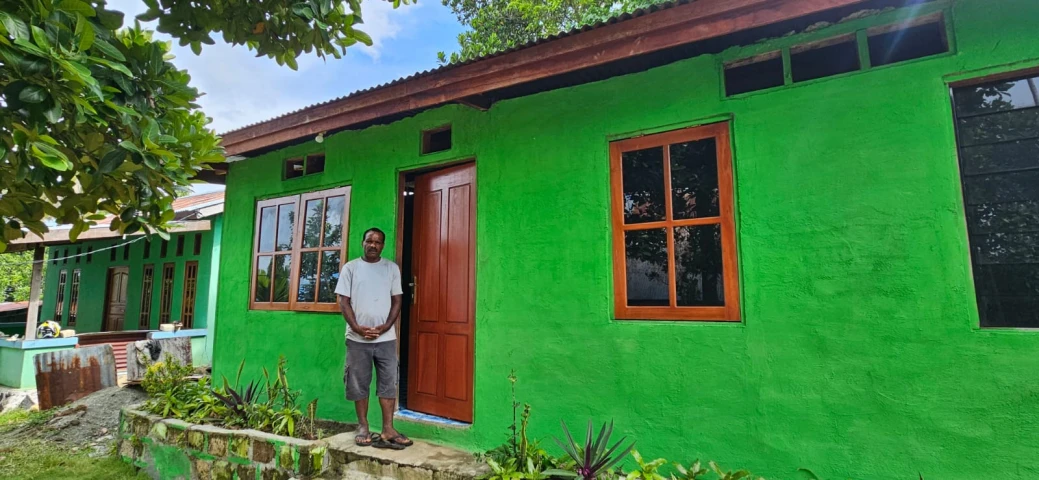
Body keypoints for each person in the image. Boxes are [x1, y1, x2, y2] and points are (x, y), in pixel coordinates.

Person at [335, 227, 413, 449]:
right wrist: (357, 328)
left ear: (383, 246)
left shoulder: (391, 268)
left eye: (378, 242)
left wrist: (387, 326)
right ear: (363, 242)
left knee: (388, 382)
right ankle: (363, 427)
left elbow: (397, 300)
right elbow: (343, 301)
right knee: (358, 383)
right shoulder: (351, 268)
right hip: (357, 339)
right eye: (369, 241)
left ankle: (388, 429)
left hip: (386, 339)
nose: (373, 245)